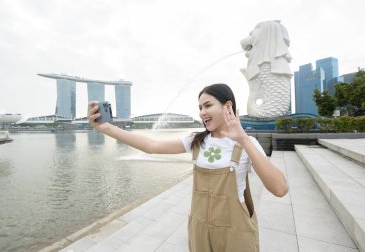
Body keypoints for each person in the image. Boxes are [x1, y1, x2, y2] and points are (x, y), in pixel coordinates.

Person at [88, 83, 288, 252]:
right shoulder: (196, 141)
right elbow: (151, 146)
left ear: (228, 106)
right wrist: (107, 128)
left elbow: (279, 189)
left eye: (208, 105)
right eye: (200, 107)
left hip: (235, 229)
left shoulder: (247, 143)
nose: (202, 112)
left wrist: (243, 139)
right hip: (199, 227)